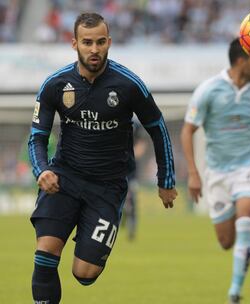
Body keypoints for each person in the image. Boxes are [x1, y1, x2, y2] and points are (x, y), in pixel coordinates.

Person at [28, 12, 177, 304]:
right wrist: (41, 170)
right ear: (74, 44)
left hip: (107, 188)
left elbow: (158, 129)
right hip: (64, 178)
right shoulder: (55, 85)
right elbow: (37, 137)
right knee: (45, 254)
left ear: (109, 42)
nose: (94, 49)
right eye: (87, 42)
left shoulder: (129, 84)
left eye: (99, 42)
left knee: (85, 273)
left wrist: (166, 180)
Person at [180, 38, 250, 304]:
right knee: (226, 240)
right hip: (217, 172)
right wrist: (193, 173)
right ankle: (240, 250)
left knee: (246, 216)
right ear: (241, 61)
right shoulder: (209, 90)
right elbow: (188, 130)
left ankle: (234, 293)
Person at [122, 119, 147, 241]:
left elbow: (142, 144)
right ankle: (121, 219)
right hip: (112, 169)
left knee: (132, 198)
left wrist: (130, 156)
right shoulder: (111, 116)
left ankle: (132, 227)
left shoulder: (136, 124)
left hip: (131, 171)